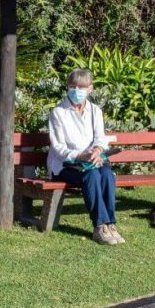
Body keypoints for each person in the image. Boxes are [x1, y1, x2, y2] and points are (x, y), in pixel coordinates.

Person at [47, 68, 124, 245]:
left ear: (90, 88)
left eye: (81, 87)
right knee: (91, 175)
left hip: (91, 161)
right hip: (64, 165)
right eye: (73, 86)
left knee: (106, 174)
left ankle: (110, 224)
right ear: (67, 87)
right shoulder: (58, 112)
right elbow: (58, 147)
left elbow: (100, 138)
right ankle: (99, 226)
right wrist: (80, 155)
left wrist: (97, 151)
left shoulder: (95, 111)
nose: (77, 90)